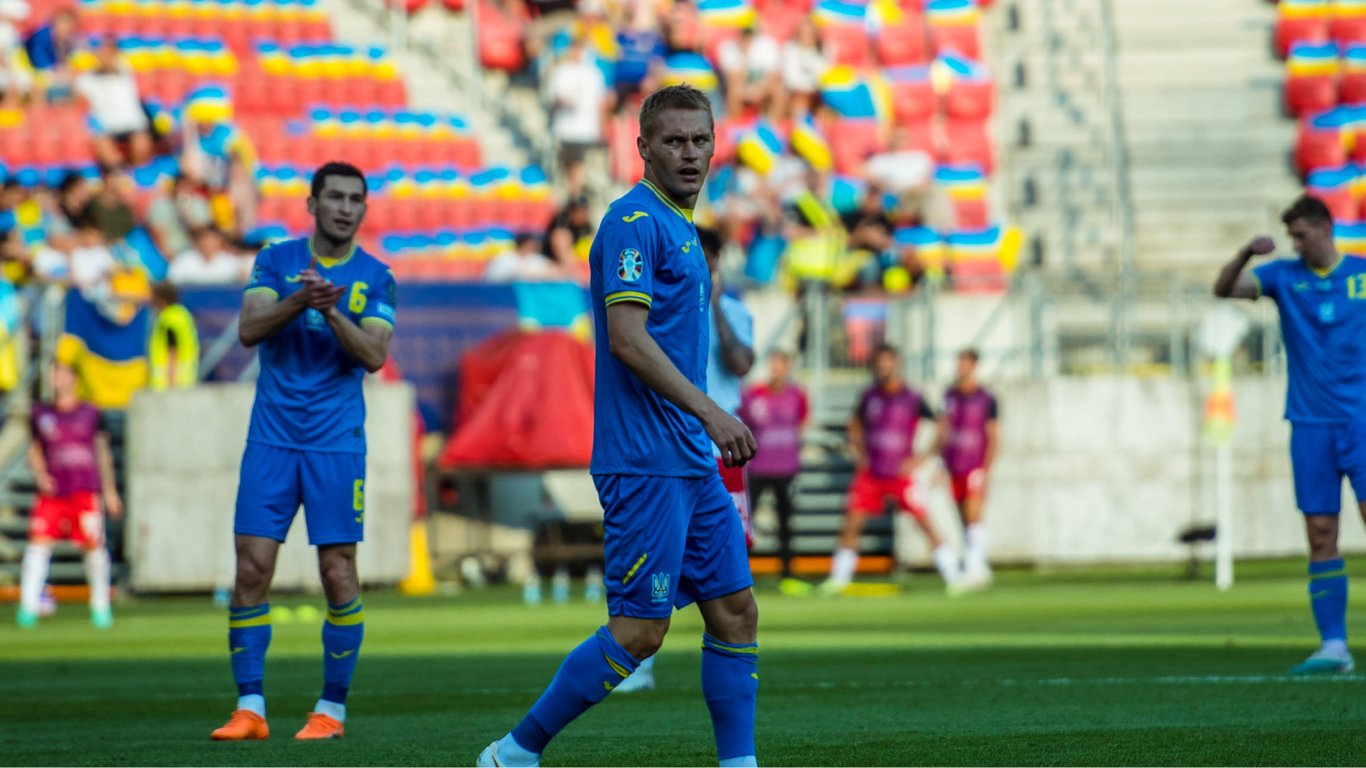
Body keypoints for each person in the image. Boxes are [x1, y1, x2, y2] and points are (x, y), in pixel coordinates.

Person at [477, 84, 760, 768]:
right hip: (645, 460)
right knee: (638, 632)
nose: (689, 153)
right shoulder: (633, 223)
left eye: (700, 140)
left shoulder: (682, 228)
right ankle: (514, 752)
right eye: (674, 140)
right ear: (642, 148)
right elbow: (628, 340)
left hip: (689, 460)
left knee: (735, 611)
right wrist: (712, 410)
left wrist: (701, 426)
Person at [210, 161, 397, 741]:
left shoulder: (377, 277)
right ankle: (250, 708)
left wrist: (331, 309)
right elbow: (248, 330)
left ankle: (330, 711)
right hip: (271, 438)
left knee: (338, 572)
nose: (345, 208)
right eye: (335, 197)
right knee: (250, 569)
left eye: (355, 199)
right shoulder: (276, 260)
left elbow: (374, 355)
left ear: (364, 209)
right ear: (312, 204)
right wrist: (299, 299)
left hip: (336, 444)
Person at [1213, 194, 1366, 675]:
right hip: (1309, 425)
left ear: (1326, 229)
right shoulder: (1282, 277)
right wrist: (1245, 252)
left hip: (1361, 422)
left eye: (1301, 236)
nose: (1296, 245)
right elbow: (1224, 289)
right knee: (1320, 533)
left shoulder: (1361, 275)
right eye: (1291, 237)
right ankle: (1334, 647)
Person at [614, 225, 755, 695]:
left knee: (730, 568)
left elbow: (741, 363)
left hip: (724, 448)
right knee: (658, 558)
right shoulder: (661, 309)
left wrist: (716, 307)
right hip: (673, 445)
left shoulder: (733, 311)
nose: (707, 265)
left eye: (713, 258)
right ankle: (638, 660)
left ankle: (727, 661)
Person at [822, 343, 959, 594]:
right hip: (871, 474)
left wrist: (921, 459)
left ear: (897, 364)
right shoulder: (870, 395)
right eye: (879, 362)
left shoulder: (912, 397)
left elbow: (942, 425)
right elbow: (854, 424)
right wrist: (858, 453)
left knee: (925, 523)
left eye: (888, 361)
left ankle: (954, 575)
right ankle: (839, 579)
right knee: (852, 523)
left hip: (900, 474)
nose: (883, 366)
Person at [17, 362, 123, 629]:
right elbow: (34, 449)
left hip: (84, 492)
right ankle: (28, 608)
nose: (55, 378)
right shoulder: (40, 414)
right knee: (38, 547)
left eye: (61, 372)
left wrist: (110, 492)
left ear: (74, 378)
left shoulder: (90, 413)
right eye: (53, 372)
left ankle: (101, 608)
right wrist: (40, 475)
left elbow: (102, 452)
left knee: (94, 550)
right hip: (53, 494)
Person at [741, 349, 808, 580]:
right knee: (747, 520)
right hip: (758, 467)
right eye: (774, 364)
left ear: (788, 367)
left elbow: (802, 421)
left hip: (786, 468)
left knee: (785, 521)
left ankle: (787, 573)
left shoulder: (797, 395)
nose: (776, 369)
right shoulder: (754, 394)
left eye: (781, 364)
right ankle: (741, 572)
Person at [940, 348, 998, 590]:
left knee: (974, 514)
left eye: (965, 362)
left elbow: (993, 436)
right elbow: (943, 431)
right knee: (963, 518)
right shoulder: (949, 395)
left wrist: (986, 468)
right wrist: (940, 463)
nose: (960, 367)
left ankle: (974, 568)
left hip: (974, 465)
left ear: (974, 366)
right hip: (954, 465)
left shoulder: (987, 398)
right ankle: (978, 565)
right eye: (959, 362)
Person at [74, 38, 154, 167]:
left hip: (133, 123)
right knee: (105, 149)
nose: (106, 58)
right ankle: (118, 173)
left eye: (109, 54)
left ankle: (135, 174)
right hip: (106, 126)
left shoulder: (126, 72)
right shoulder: (86, 80)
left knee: (142, 145)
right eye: (103, 54)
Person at [168, 227, 251, 285]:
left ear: (219, 242)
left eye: (211, 240)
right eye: (204, 240)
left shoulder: (231, 262)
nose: (208, 244)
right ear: (198, 241)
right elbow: (173, 281)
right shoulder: (184, 260)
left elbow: (245, 278)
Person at [483, 234, 560, 282]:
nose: (533, 248)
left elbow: (554, 272)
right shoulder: (504, 258)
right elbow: (492, 278)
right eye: (529, 245)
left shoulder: (537, 259)